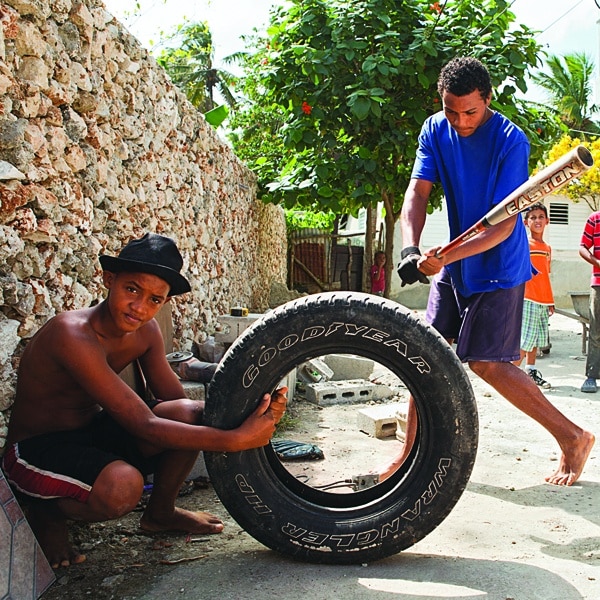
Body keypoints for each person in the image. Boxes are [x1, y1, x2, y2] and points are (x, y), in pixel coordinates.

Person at [1, 232, 288, 568]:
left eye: (154, 299)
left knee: (190, 413)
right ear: (110, 280)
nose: (139, 307)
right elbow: (145, 425)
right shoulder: (72, 334)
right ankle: (44, 510)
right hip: (35, 452)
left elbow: (176, 405)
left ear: (164, 303)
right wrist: (234, 439)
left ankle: (161, 513)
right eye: (132, 289)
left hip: (91, 433)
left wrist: (255, 407)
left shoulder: (146, 332)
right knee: (123, 487)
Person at [393, 56, 594, 486]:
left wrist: (446, 257)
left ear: (487, 101)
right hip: (456, 263)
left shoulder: (511, 140)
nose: (461, 121)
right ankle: (407, 458)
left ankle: (573, 437)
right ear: (441, 100)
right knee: (425, 352)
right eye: (452, 110)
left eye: (471, 111)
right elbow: (418, 191)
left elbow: (503, 226)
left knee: (487, 363)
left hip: (499, 266)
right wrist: (411, 248)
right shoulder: (434, 129)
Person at [514, 203, 554, 389]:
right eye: (533, 217)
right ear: (525, 222)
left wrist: (550, 301)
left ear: (547, 220)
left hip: (543, 301)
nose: (537, 220)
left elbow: (545, 275)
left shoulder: (547, 248)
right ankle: (510, 377)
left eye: (540, 217)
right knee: (525, 340)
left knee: (536, 339)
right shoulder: (523, 245)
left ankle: (530, 371)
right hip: (528, 298)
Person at [579, 210, 600, 393]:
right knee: (596, 331)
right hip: (599, 284)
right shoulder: (595, 219)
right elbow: (583, 247)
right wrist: (598, 262)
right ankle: (592, 376)